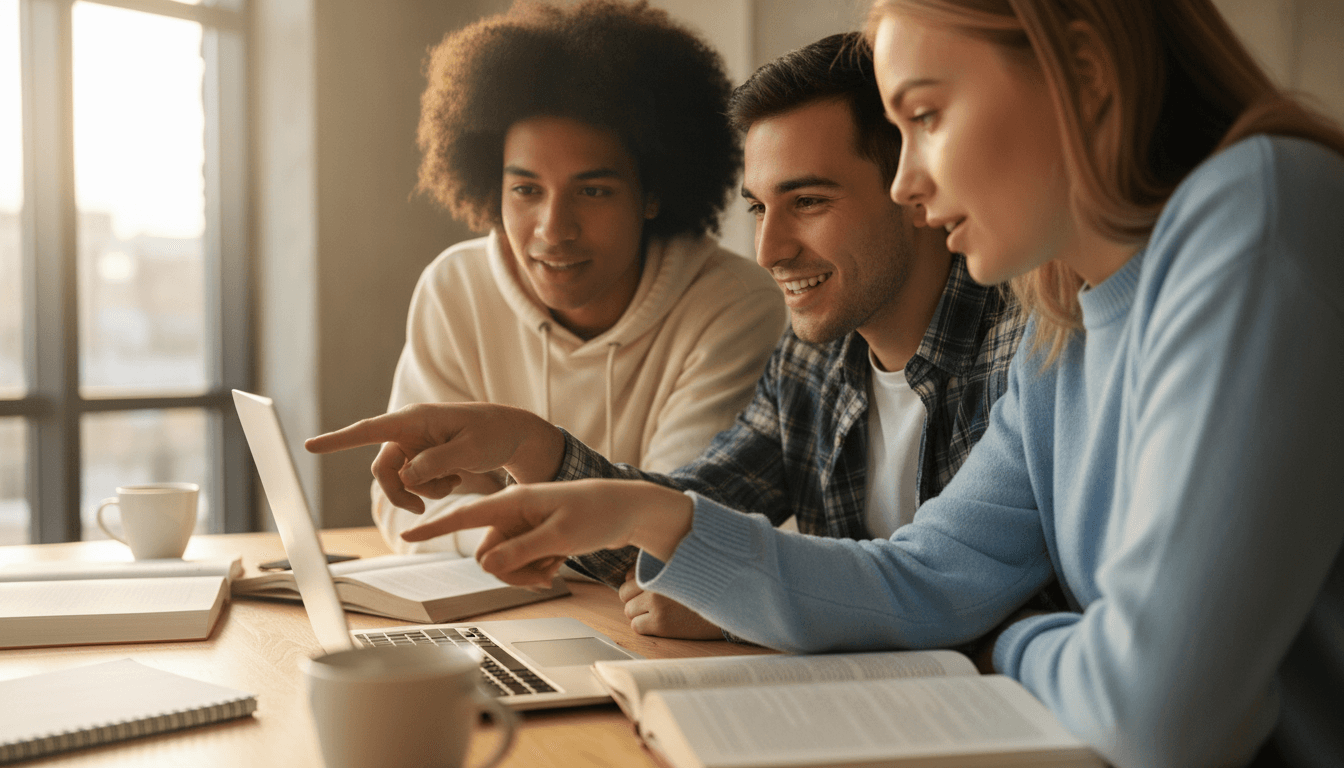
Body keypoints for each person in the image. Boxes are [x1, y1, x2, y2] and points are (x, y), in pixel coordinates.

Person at [341, 1, 1344, 766]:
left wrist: (1012, 640)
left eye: (927, 116)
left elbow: (1158, 712)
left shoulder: (1256, 210)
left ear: (1082, 69)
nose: (912, 185)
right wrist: (648, 513)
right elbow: (919, 582)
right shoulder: (1068, 325)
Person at [309, 32, 1034, 640]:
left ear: (917, 185)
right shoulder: (816, 355)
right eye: (759, 207)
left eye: (808, 201)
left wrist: (752, 603)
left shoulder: (1024, 346)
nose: (769, 250)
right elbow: (686, 508)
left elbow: (954, 595)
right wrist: (526, 445)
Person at [370, 0, 786, 555]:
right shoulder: (456, 286)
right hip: (506, 611)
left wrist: (497, 507)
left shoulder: (733, 303)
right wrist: (517, 535)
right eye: (526, 190)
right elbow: (405, 508)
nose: (553, 229)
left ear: (654, 193)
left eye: (593, 191)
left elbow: (669, 529)